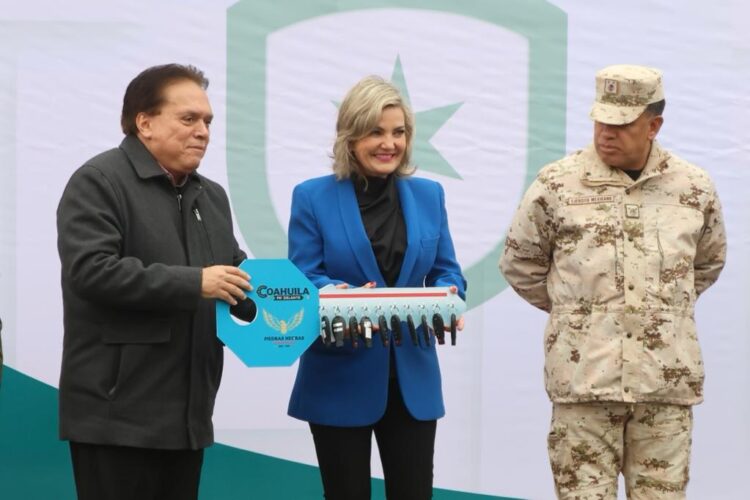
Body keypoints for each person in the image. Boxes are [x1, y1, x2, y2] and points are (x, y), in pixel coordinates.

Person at [500, 64, 726, 498]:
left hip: (663, 386)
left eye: (621, 125)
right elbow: (520, 263)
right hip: (584, 385)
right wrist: (582, 314)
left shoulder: (693, 188)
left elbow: (707, 263)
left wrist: (655, 312)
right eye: (601, 121)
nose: (606, 133)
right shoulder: (558, 184)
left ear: (653, 126)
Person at [56, 64, 251, 500]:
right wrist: (194, 283)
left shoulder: (211, 196)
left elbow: (239, 279)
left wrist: (313, 298)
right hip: (115, 420)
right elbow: (91, 270)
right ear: (144, 123)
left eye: (208, 122)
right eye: (189, 119)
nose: (203, 132)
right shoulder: (98, 181)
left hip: (187, 419)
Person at [287, 76, 466, 500]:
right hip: (338, 377)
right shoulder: (312, 196)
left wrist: (449, 297)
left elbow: (448, 271)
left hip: (412, 382)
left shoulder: (429, 195)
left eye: (398, 132)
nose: (389, 143)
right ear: (350, 137)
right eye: (375, 132)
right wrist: (343, 296)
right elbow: (304, 277)